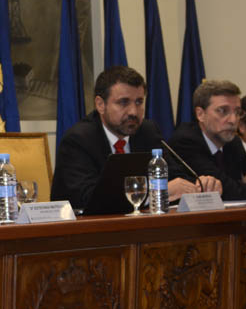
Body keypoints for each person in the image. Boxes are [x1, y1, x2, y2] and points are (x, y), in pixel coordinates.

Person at [51, 66, 218, 210]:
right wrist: (156, 193)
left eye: (139, 102)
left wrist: (200, 185)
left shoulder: (147, 131)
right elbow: (87, 198)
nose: (133, 112)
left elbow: (175, 176)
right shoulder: (79, 140)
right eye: (123, 102)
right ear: (100, 104)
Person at [168, 80, 246, 200]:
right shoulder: (186, 141)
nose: (233, 120)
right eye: (222, 111)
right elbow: (223, 189)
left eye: (237, 112)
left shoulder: (232, 142)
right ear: (200, 114)